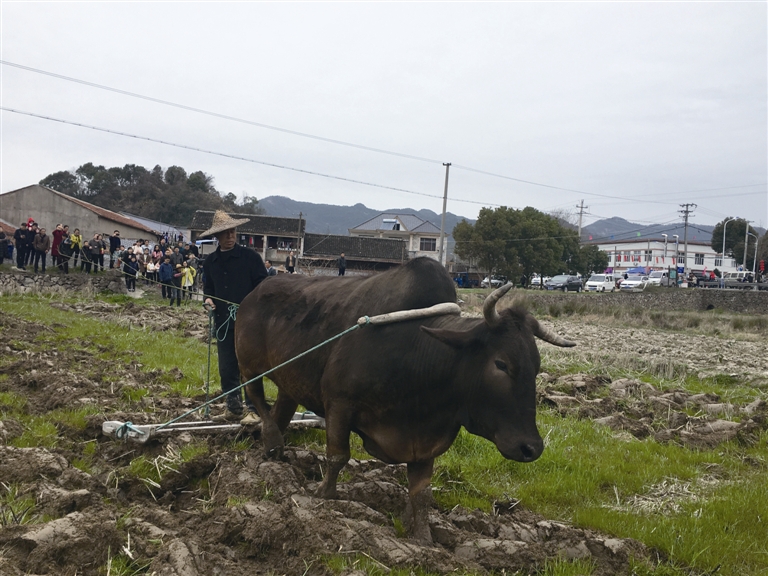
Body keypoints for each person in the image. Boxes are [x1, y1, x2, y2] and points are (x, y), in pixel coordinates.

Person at [202, 211, 268, 424]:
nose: (230, 236)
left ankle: (254, 409)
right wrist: (208, 301)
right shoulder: (210, 262)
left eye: (233, 232)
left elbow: (263, 287)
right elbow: (208, 289)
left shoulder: (250, 258)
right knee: (227, 366)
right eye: (225, 233)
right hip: (223, 321)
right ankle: (233, 407)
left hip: (249, 324)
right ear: (218, 237)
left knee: (249, 366)